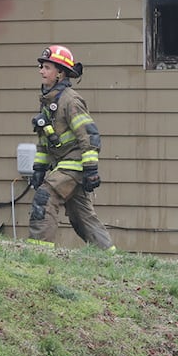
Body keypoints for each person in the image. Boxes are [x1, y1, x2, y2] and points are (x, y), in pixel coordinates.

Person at [27, 44, 114, 249]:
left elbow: (89, 135)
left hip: (74, 164)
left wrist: (91, 169)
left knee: (46, 196)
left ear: (60, 73)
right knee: (82, 216)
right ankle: (110, 256)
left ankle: (38, 252)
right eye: (41, 67)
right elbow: (44, 141)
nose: (41, 71)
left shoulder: (70, 101)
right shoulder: (49, 102)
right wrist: (39, 168)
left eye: (47, 67)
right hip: (61, 164)